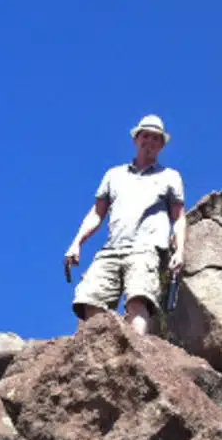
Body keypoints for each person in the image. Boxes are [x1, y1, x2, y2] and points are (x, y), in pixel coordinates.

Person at [64, 115, 186, 336]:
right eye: (145, 136)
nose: (149, 141)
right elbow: (97, 212)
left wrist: (180, 250)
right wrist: (76, 243)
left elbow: (178, 217)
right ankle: (96, 355)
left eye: (155, 138)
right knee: (91, 300)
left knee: (138, 300)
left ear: (161, 145)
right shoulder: (114, 175)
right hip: (112, 248)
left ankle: (138, 355)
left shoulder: (170, 177)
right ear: (136, 139)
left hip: (146, 248)